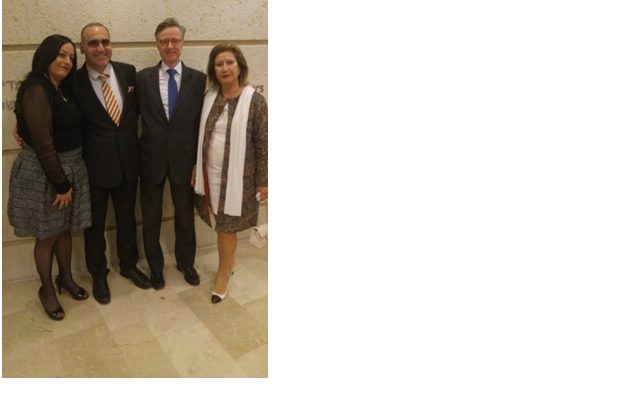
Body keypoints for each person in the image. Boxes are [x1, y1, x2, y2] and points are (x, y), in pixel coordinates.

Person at [8, 34, 92, 320]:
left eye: (71, 57)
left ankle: (65, 278)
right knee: (47, 236)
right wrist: (62, 185)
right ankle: (46, 290)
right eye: (61, 54)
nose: (67, 61)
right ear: (46, 55)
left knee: (64, 229)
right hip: (48, 173)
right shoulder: (36, 89)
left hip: (69, 167)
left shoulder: (61, 88)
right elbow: (44, 145)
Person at [73, 23, 151, 304]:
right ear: (82, 48)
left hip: (128, 163)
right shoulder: (73, 81)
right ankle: (98, 274)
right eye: (93, 43)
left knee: (127, 218)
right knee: (94, 226)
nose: (101, 48)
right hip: (93, 169)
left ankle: (128, 265)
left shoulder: (128, 72)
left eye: (105, 41)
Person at [136, 18, 206, 289]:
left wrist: (197, 163)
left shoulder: (198, 79)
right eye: (164, 41)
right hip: (150, 160)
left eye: (174, 40)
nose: (169, 45)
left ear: (182, 43)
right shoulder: (142, 79)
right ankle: (156, 268)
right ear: (157, 44)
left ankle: (186, 263)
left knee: (185, 217)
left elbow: (201, 124)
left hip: (184, 162)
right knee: (150, 218)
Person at [194, 43, 268, 303]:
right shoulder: (209, 98)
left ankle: (223, 272)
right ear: (213, 70)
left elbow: (263, 143)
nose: (224, 68)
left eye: (229, 63)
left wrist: (264, 181)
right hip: (209, 175)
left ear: (239, 67)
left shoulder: (255, 101)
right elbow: (200, 137)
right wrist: (195, 167)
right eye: (219, 64)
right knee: (220, 224)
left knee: (227, 227)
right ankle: (230, 261)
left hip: (239, 178)